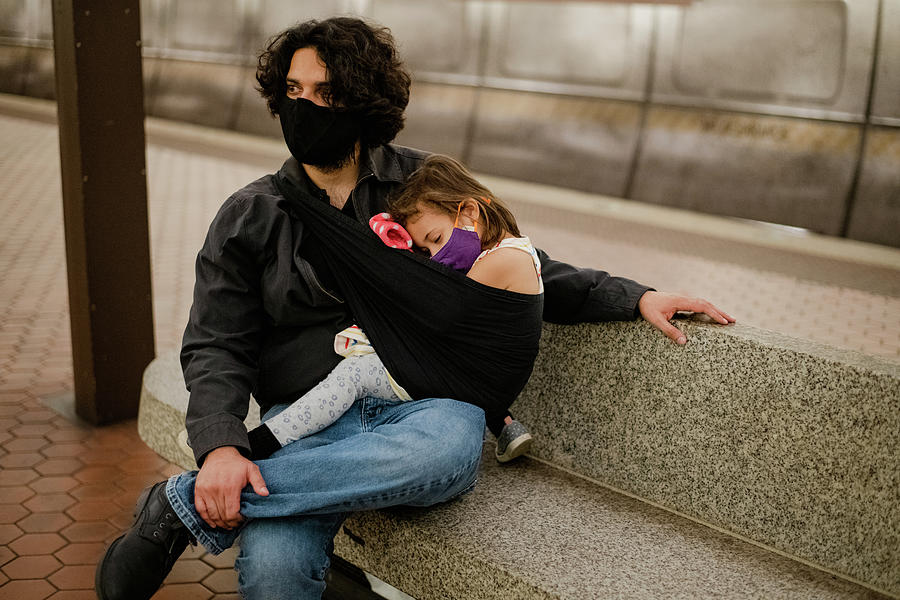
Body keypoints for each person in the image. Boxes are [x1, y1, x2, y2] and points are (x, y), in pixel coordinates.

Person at [94, 16, 734, 600]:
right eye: (293, 92)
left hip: (427, 405)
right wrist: (221, 449)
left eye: (325, 94)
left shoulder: (420, 185)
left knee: (446, 454)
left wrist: (637, 296)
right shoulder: (253, 215)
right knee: (274, 572)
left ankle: (176, 508)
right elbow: (216, 345)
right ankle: (239, 501)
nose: (305, 108)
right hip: (308, 416)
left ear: (363, 102)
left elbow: (516, 266)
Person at [247, 154, 541, 464]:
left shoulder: (502, 261)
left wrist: (392, 254)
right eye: (426, 250)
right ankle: (501, 423)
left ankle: (264, 441)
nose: (436, 257)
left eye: (436, 239)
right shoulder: (508, 251)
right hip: (472, 379)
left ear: (469, 210)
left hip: (466, 381)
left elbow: (432, 305)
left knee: (354, 375)